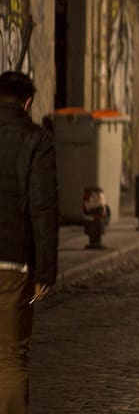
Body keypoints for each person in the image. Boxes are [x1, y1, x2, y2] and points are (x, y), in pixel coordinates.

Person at [0, 72, 56, 414]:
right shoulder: (37, 140)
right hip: (13, 266)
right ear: (28, 103)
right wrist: (46, 271)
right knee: (10, 359)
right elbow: (43, 208)